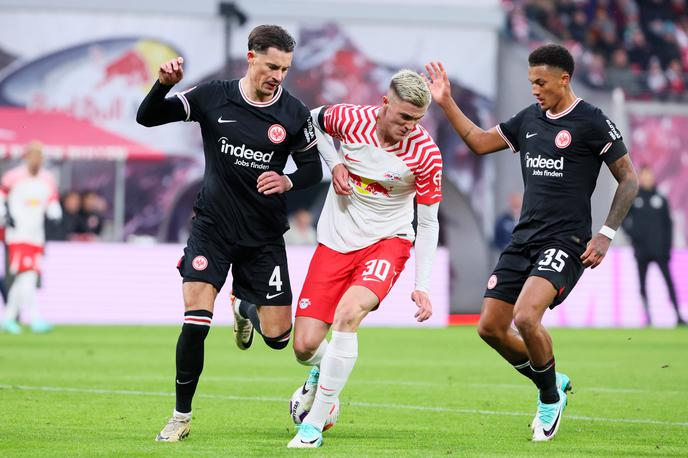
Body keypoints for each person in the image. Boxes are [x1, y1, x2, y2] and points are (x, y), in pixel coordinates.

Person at [425, 44, 639, 442]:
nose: (534, 89)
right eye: (530, 82)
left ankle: (548, 398)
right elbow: (477, 141)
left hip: (566, 240)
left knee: (526, 317)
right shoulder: (529, 120)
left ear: (564, 78)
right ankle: (553, 377)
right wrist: (447, 102)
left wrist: (606, 234)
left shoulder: (592, 122)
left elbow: (629, 178)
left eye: (541, 82)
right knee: (489, 328)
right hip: (523, 239)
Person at [136, 24, 322, 442]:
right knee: (195, 321)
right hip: (212, 229)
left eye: (286, 69)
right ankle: (180, 417)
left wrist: (288, 181)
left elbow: (313, 169)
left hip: (263, 236)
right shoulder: (213, 95)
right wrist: (161, 86)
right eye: (272, 66)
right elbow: (146, 117)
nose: (278, 75)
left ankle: (244, 310)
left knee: (278, 339)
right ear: (251, 56)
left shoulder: (293, 113)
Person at [287, 69, 442, 448]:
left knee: (348, 314)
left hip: (387, 243)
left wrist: (421, 286)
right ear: (384, 103)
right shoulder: (351, 119)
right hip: (336, 241)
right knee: (305, 346)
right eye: (404, 116)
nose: (410, 126)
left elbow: (429, 221)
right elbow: (312, 120)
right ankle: (325, 371)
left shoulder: (425, 154)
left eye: (417, 119)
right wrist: (335, 163)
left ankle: (314, 425)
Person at [0, 141, 62, 334]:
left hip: (37, 236)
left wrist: (55, 214)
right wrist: (4, 215)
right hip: (18, 234)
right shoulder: (13, 177)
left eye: (39, 156)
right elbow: (1, 197)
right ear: (27, 157)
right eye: (33, 155)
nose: (36, 159)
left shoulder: (47, 179)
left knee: (25, 277)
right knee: (27, 276)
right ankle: (34, 317)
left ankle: (9, 317)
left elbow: (52, 203)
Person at [622, 166, 684, 326]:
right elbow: (622, 218)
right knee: (642, 284)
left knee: (669, 283)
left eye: (649, 175)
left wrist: (668, 248)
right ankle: (648, 317)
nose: (647, 179)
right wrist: (633, 235)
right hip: (641, 251)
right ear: (640, 178)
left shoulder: (661, 198)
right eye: (644, 176)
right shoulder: (634, 198)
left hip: (660, 251)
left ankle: (678, 315)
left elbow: (668, 225)